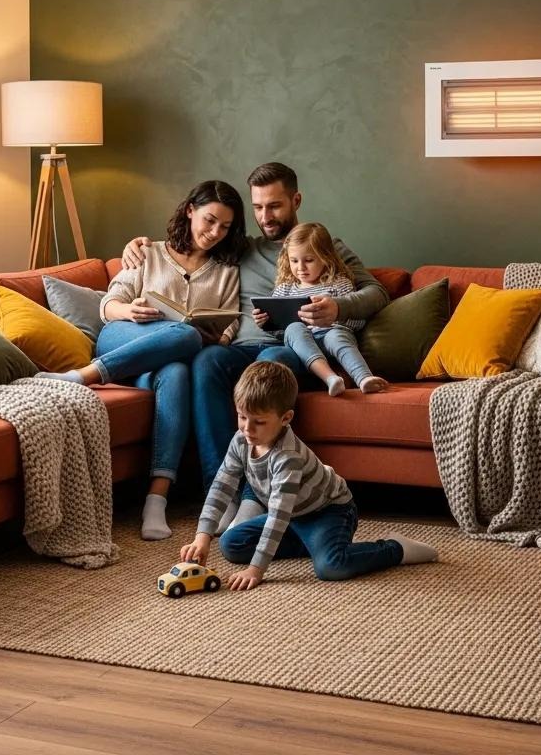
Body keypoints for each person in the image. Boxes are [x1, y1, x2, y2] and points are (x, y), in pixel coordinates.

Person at [122, 162, 388, 496]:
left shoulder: (322, 245)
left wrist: (338, 307)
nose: (266, 217)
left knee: (270, 364)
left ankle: (256, 494)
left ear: (296, 200)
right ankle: (220, 492)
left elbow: (377, 292)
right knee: (206, 362)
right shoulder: (240, 247)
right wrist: (139, 245)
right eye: (259, 207)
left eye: (275, 206)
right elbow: (188, 242)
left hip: (292, 350)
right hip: (238, 349)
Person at [41, 180, 247, 541]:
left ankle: (156, 499)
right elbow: (108, 304)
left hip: (161, 363)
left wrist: (220, 336)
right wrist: (128, 310)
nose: (215, 233)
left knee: (178, 371)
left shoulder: (226, 270)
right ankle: (83, 376)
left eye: (225, 227)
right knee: (184, 335)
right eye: (210, 220)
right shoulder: (147, 252)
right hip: (121, 340)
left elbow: (229, 321)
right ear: (190, 211)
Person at [179, 362, 437, 590]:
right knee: (231, 545)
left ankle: (395, 548)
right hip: (292, 516)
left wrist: (256, 569)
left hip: (329, 511)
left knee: (331, 567)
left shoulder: (287, 457)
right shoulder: (241, 440)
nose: (247, 428)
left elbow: (278, 516)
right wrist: (202, 537)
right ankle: (313, 544)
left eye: (258, 421)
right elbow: (222, 484)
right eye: (242, 417)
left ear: (286, 418)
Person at [260, 222, 388, 396]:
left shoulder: (338, 284)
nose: (300, 268)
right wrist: (266, 322)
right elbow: (281, 331)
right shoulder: (285, 289)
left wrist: (336, 315)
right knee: (294, 328)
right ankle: (330, 378)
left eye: (309, 260)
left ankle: (364, 378)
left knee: (336, 336)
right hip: (302, 343)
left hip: (332, 334)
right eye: (294, 260)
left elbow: (357, 321)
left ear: (325, 257)